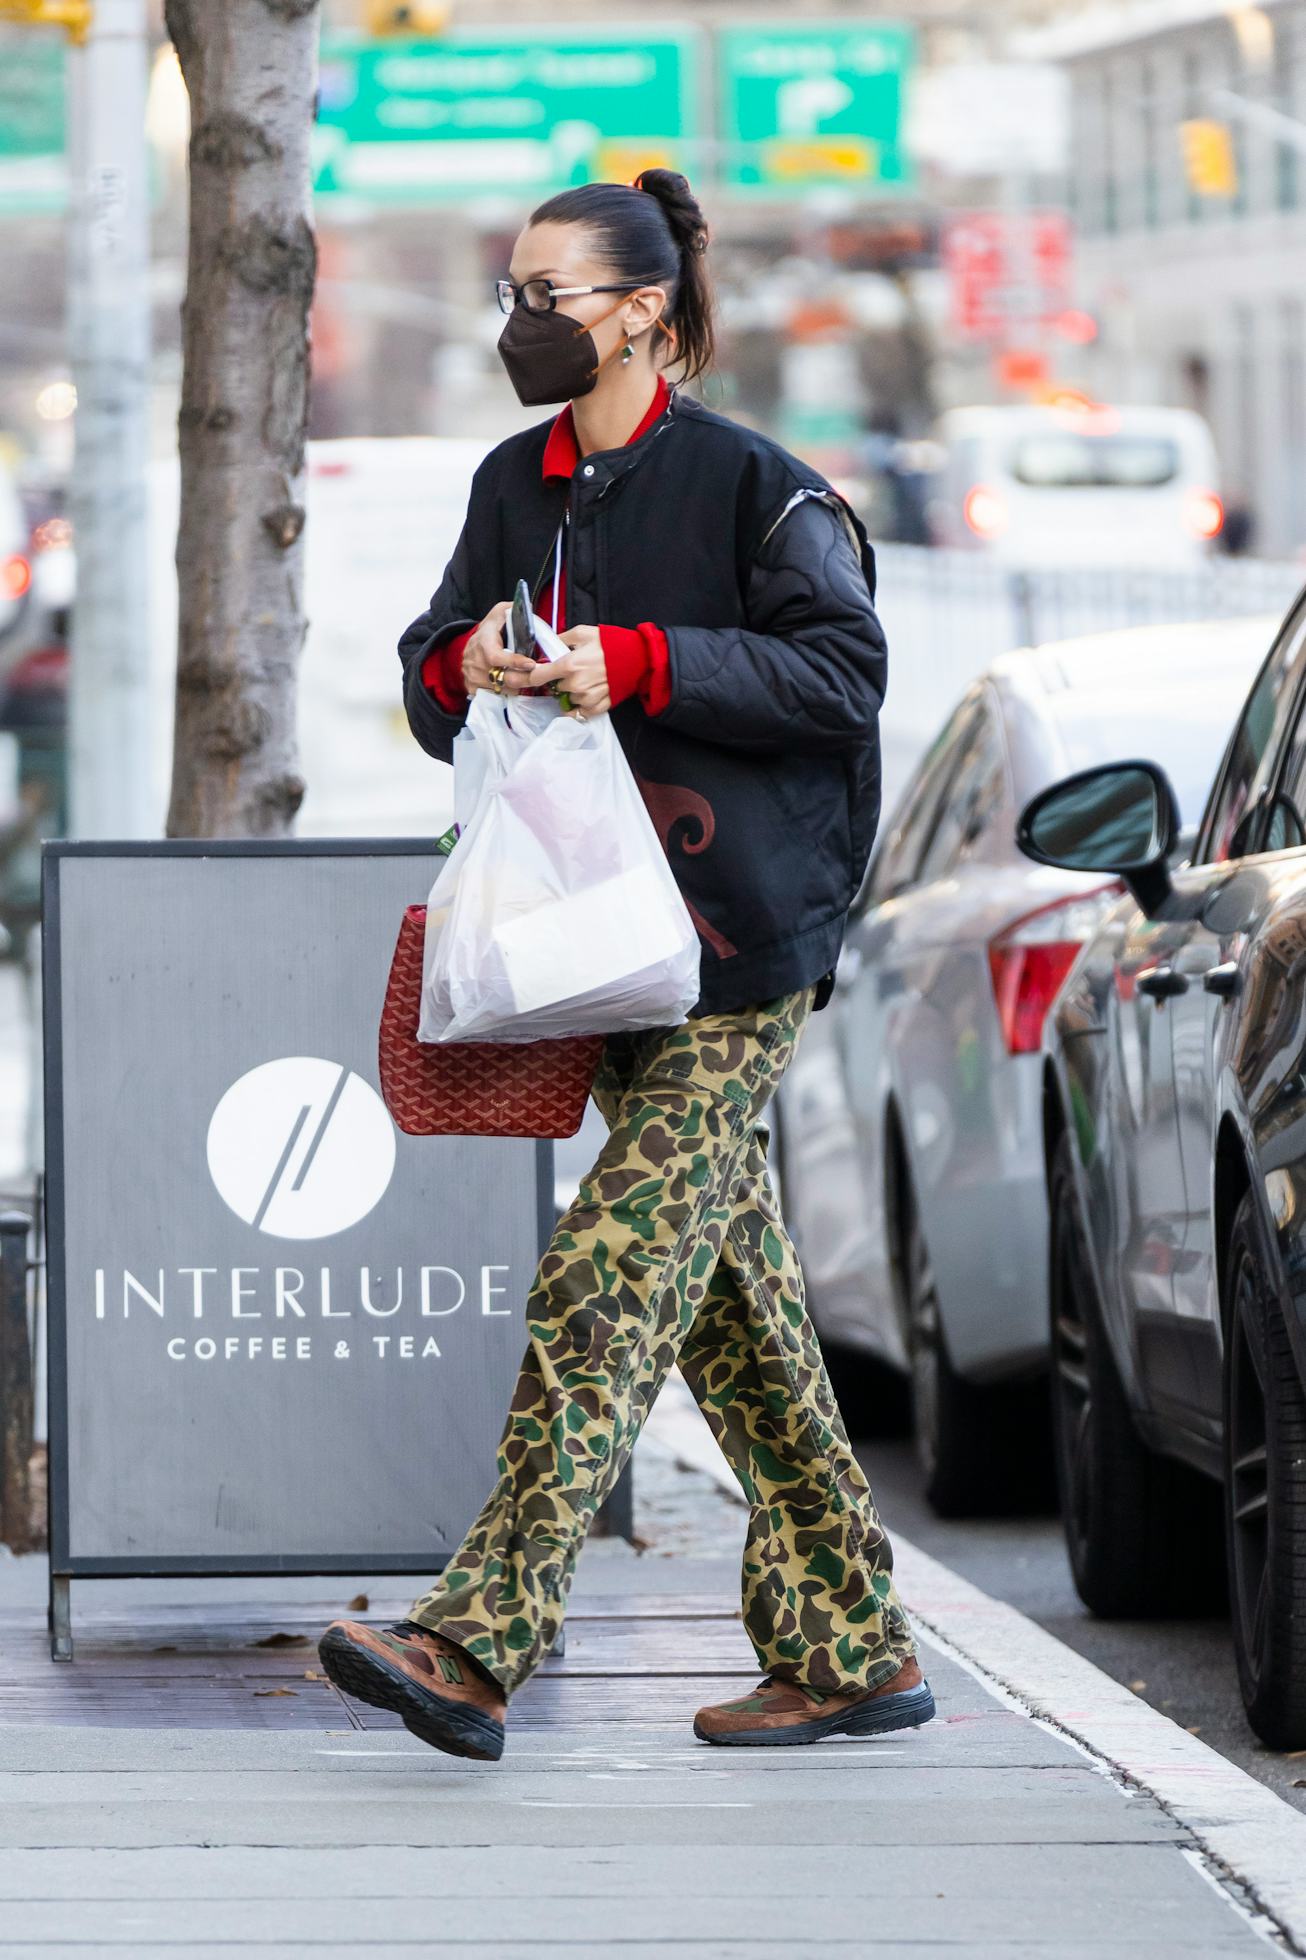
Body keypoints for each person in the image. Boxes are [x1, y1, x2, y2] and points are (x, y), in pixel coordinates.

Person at [318, 169, 932, 1762]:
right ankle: (852, 1645)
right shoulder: (512, 481)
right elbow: (427, 675)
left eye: (549, 296)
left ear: (642, 311)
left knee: (604, 1270)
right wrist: (475, 663)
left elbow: (840, 672)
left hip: (739, 947)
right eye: (511, 291)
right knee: (732, 1307)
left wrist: (637, 662)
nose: (519, 321)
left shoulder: (755, 488)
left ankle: (476, 1634)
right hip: (587, 942)